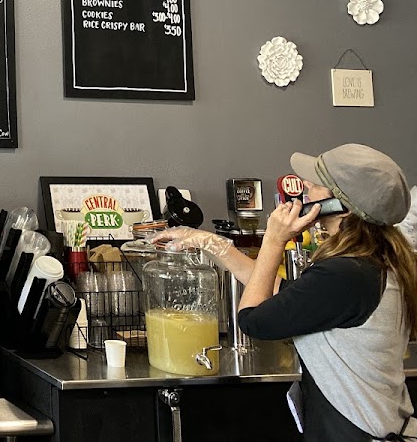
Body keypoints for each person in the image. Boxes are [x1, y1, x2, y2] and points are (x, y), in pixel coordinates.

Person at [154, 144, 416, 441]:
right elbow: (278, 292)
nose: (305, 186)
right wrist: (206, 241)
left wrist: (274, 240)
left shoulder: (346, 274)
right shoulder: (370, 265)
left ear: (341, 206)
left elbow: (253, 319)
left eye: (317, 183)